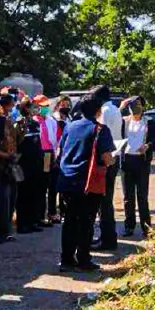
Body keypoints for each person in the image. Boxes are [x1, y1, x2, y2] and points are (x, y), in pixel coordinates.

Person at [57, 93, 116, 272]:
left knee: (69, 221)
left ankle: (66, 259)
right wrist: (113, 160)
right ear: (98, 111)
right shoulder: (100, 129)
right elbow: (106, 158)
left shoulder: (70, 126)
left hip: (67, 179)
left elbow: (61, 149)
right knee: (86, 221)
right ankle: (83, 260)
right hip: (87, 182)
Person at [92, 86, 122, 251]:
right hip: (114, 157)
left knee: (103, 203)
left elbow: (99, 135)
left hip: (106, 158)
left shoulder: (104, 111)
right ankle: (108, 237)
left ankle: (107, 239)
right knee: (107, 201)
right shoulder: (116, 110)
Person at [0, 94, 21, 244]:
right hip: (0, 166)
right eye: (11, 105)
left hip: (10, 164)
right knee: (0, 199)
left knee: (10, 198)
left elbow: (16, 139)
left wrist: (22, 126)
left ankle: (6, 230)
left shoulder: (10, 120)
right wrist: (5, 156)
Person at [119, 96, 150, 237]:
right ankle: (129, 226)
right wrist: (120, 107)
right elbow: (109, 122)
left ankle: (146, 227)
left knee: (142, 196)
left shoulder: (148, 122)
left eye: (138, 104)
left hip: (142, 162)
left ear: (143, 106)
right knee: (128, 197)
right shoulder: (124, 121)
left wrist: (147, 146)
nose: (135, 107)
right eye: (132, 105)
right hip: (127, 161)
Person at [15, 97, 46, 233]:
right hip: (24, 163)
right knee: (24, 194)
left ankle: (33, 221)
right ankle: (23, 223)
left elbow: (37, 142)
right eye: (31, 107)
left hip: (36, 163)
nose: (35, 109)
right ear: (25, 108)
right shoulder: (19, 123)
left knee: (34, 193)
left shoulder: (34, 123)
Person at [33, 95, 58, 226]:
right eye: (42, 106)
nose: (45, 108)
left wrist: (54, 155)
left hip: (48, 154)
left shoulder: (51, 120)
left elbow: (54, 140)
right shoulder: (33, 121)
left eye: (47, 106)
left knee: (47, 184)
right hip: (37, 154)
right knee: (39, 186)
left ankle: (47, 214)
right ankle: (38, 215)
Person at [49, 95, 72, 223]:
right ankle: (52, 212)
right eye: (63, 104)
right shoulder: (54, 119)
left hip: (67, 154)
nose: (66, 106)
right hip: (56, 154)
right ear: (58, 105)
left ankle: (63, 210)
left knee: (65, 185)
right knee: (53, 186)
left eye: (67, 104)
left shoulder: (69, 118)